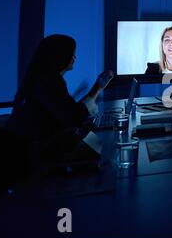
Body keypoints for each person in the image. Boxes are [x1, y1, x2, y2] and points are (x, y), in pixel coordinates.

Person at [6, 34, 114, 163]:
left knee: (97, 144)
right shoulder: (49, 81)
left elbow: (71, 112)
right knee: (105, 152)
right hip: (37, 154)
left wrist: (98, 86)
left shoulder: (42, 77)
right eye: (72, 54)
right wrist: (97, 88)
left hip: (32, 147)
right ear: (60, 56)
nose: (75, 58)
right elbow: (74, 117)